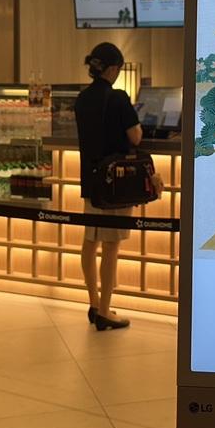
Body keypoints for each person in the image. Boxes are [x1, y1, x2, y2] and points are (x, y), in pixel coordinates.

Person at [75, 41, 141, 331]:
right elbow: (135, 137)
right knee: (111, 246)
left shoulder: (82, 99)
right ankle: (105, 311)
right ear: (113, 69)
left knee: (90, 241)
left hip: (91, 181)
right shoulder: (118, 98)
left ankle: (93, 303)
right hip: (115, 184)